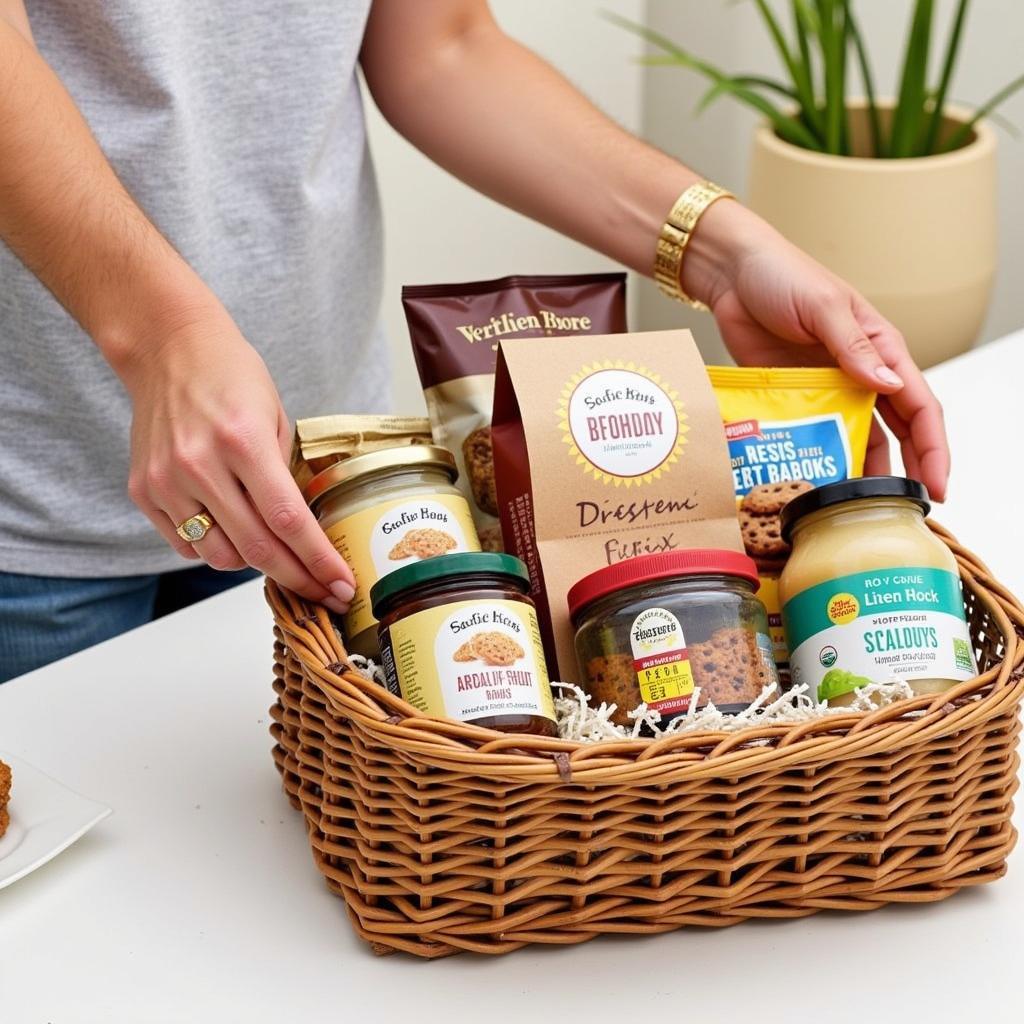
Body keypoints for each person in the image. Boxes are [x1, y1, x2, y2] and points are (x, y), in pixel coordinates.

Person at [0, 1, 948, 682]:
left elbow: (442, 46)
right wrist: (165, 336)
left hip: (344, 496)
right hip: (32, 511)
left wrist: (722, 254)